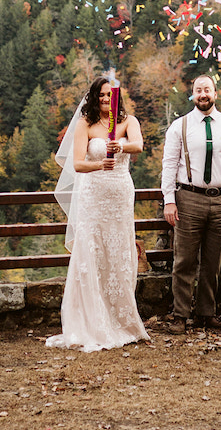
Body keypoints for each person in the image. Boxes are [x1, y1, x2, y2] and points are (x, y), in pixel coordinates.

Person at [47, 77, 149, 352]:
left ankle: (121, 319)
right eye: (101, 95)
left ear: (117, 98)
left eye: (110, 95)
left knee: (118, 253)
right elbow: (78, 164)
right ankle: (91, 321)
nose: (106, 99)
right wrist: (100, 164)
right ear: (95, 97)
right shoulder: (85, 124)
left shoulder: (129, 121)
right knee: (93, 252)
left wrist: (121, 147)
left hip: (120, 194)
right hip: (94, 193)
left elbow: (138, 145)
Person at [160, 74, 221, 334]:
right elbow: (169, 165)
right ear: (192, 95)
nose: (203, 94)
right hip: (189, 197)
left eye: (208, 90)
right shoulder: (179, 126)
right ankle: (180, 315)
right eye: (198, 90)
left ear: (216, 94)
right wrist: (169, 201)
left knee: (213, 262)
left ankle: (207, 313)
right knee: (184, 260)